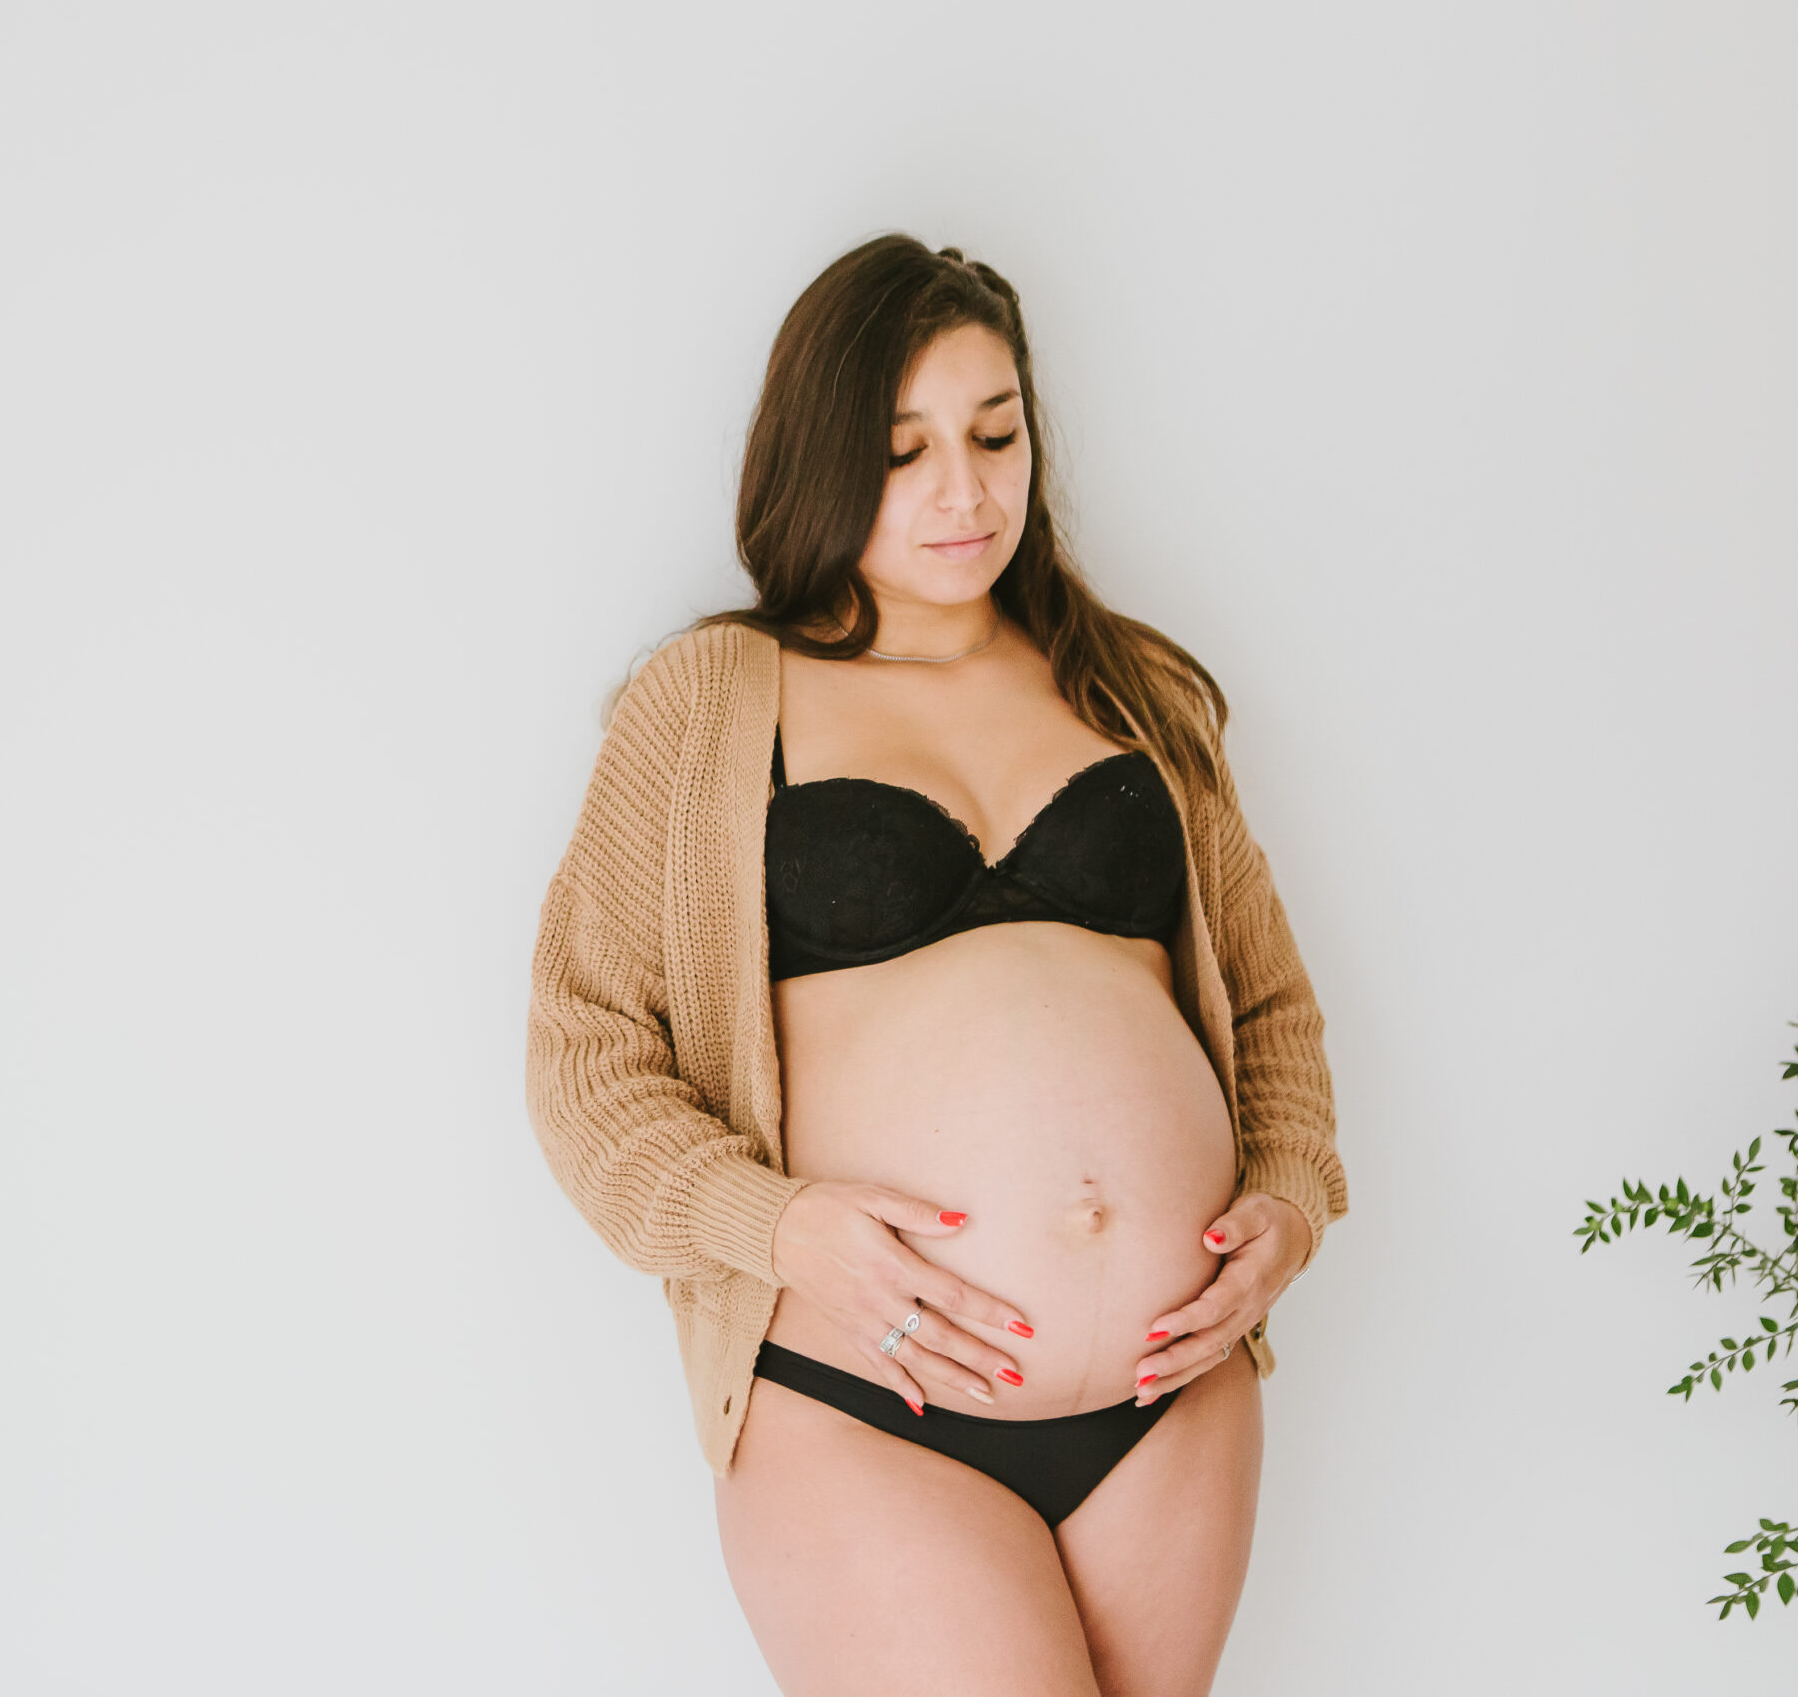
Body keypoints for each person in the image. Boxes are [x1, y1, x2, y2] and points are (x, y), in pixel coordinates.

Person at [526, 233, 1346, 1696]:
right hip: (864, 1391)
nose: (966, 491)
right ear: (822, 459)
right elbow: (587, 1058)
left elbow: (1269, 1006)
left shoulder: (1129, 687)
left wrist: (1289, 1201)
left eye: (996, 432)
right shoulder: (715, 696)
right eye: (904, 451)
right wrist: (778, 1229)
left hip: (1173, 1398)